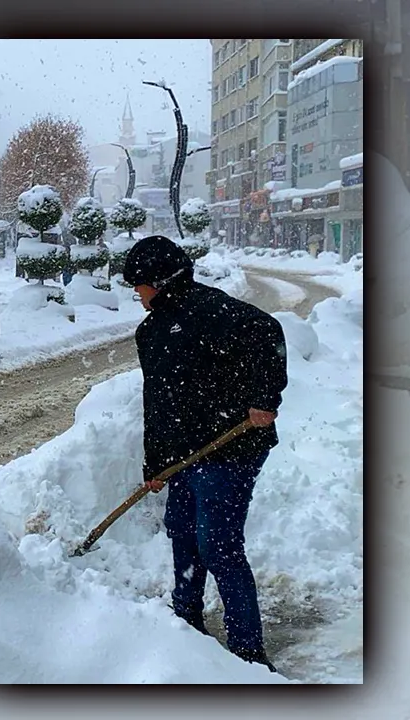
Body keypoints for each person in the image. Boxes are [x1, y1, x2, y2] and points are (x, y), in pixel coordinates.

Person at [122, 236, 289, 671]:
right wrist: (155, 464)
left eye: (139, 284)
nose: (136, 293)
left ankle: (249, 654)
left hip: (231, 447)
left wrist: (264, 398)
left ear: (162, 280)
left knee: (218, 545)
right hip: (186, 455)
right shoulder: (150, 331)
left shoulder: (212, 310)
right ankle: (187, 623)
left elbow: (268, 333)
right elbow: (157, 400)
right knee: (181, 531)